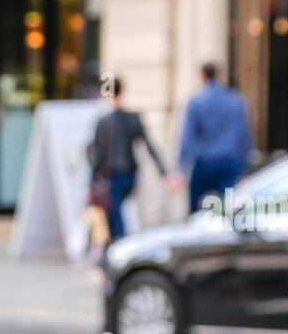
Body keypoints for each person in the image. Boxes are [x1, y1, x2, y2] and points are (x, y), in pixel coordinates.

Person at [89, 76, 171, 243]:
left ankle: (119, 253)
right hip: (130, 174)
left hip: (112, 176)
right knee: (122, 215)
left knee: (116, 220)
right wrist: (164, 173)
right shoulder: (131, 117)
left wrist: (92, 183)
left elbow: (98, 155)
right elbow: (149, 146)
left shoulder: (104, 121)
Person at [176, 62, 253, 212]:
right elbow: (245, 136)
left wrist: (181, 168)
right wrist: (245, 168)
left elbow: (187, 137)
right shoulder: (236, 100)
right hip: (230, 162)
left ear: (202, 76)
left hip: (204, 162)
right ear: (220, 75)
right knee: (230, 210)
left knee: (197, 211)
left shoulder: (195, 100)